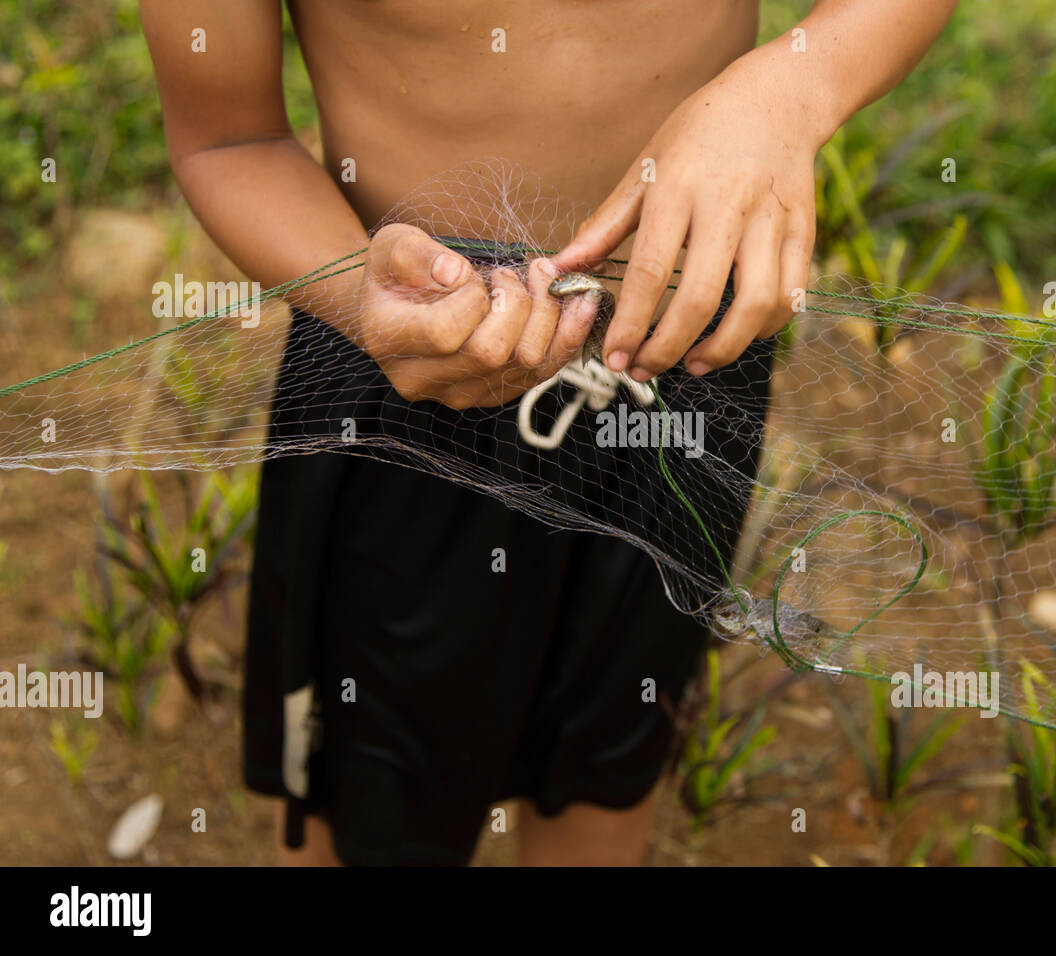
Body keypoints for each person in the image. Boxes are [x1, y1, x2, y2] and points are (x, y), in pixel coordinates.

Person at [141, 0, 957, 866]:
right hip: (409, 379)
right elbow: (227, 140)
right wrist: (355, 296)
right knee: (369, 806)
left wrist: (791, 82)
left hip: (686, 360)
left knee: (607, 770)